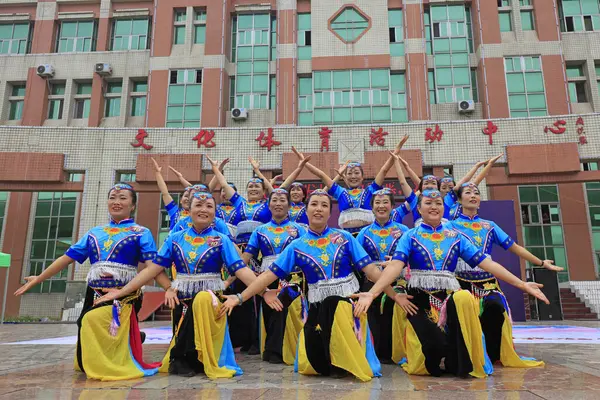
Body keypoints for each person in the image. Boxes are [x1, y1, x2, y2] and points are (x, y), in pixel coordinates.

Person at [351, 189, 550, 378]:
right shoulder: (410, 236)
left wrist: (522, 284)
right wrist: (373, 293)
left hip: (448, 296)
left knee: (464, 299)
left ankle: (462, 361)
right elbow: (395, 266)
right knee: (433, 353)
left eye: (438, 203)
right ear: (419, 209)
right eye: (428, 203)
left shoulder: (456, 237)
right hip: (419, 298)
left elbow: (488, 263)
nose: (434, 207)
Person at [220, 190, 404, 382]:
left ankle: (346, 355)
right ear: (306, 211)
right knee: (317, 362)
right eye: (314, 204)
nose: (319, 209)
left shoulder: (344, 238)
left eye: (324, 205)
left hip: (347, 308)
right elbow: (267, 276)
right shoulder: (297, 245)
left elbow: (372, 272)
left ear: (330, 213)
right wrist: (240, 297)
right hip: (316, 309)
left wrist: (394, 295)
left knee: (335, 303)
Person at [94, 192, 259, 379]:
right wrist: (164, 288)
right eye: (198, 205)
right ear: (189, 210)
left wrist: (265, 291)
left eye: (209, 207)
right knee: (184, 323)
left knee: (203, 299)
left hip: (210, 300)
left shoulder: (222, 240)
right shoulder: (175, 238)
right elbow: (153, 269)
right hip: (181, 299)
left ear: (215, 212)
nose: (203, 209)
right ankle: (183, 358)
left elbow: (241, 270)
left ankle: (189, 358)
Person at [15, 183, 166, 381]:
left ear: (133, 205)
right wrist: (39, 278)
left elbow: (153, 267)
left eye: (122, 198)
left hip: (125, 293)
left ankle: (116, 359)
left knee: (97, 322)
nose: (116, 202)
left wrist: (169, 288)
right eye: (112, 197)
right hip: (93, 290)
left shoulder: (141, 232)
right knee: (84, 323)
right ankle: (99, 359)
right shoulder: (95, 232)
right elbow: (66, 258)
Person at [451, 182, 562, 367]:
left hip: (487, 282)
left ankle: (493, 355)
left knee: (496, 309)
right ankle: (466, 355)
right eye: (468, 192)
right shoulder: (451, 227)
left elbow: (514, 247)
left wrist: (541, 263)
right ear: (459, 199)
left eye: (476, 193)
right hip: (460, 282)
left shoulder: (490, 226)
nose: (473, 196)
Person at [207, 155, 274, 353]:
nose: (253, 189)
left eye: (257, 187)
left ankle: (257, 339)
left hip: (258, 254)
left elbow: (276, 192)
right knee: (237, 295)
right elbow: (224, 187)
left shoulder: (267, 207)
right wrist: (217, 170)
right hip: (237, 253)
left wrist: (259, 172)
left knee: (256, 296)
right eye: (250, 187)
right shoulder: (240, 205)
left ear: (263, 192)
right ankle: (240, 338)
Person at [242, 188, 307, 364]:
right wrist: (234, 273)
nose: (278, 204)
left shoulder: (299, 230)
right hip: (267, 277)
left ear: (289, 205)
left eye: (282, 200)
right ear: (268, 204)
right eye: (275, 200)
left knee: (286, 309)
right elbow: (246, 257)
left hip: (293, 277)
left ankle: (285, 349)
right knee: (270, 313)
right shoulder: (260, 231)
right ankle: (272, 349)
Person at [299, 137, 408, 235]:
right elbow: (322, 175)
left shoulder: (370, 191)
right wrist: (304, 163)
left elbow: (384, 171)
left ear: (362, 177)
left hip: (369, 236)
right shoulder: (341, 192)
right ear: (345, 176)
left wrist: (396, 150)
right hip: (347, 237)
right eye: (350, 173)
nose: (353, 176)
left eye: (356, 173)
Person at [356, 187, 413, 364]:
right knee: (371, 313)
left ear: (392, 206)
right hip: (372, 282)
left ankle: (397, 352)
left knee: (394, 308)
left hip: (398, 281)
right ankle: (374, 353)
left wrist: (398, 262)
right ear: (372, 207)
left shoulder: (403, 230)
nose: (381, 206)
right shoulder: (364, 233)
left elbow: (412, 255)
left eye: (385, 202)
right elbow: (357, 259)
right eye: (377, 203)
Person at [151, 158, 191, 230]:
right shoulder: (175, 212)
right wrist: (157, 173)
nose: (188, 199)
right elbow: (165, 193)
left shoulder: (199, 215)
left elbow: (196, 190)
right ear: (181, 200)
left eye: (191, 197)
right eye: (186, 196)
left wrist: (181, 178)